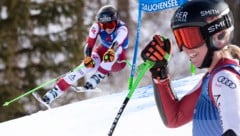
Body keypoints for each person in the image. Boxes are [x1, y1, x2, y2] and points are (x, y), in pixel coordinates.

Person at [141, 1, 240, 136]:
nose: (185, 49)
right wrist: (160, 71)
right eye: (180, 39)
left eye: (190, 38)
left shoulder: (223, 79)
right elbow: (175, 117)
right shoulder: (211, 78)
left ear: (218, 35)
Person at [42, 5, 129, 104]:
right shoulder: (97, 27)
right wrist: (87, 57)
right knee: (86, 66)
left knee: (113, 52)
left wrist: (111, 51)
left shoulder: (122, 29)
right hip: (102, 52)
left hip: (118, 61)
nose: (107, 28)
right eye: (104, 25)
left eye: (110, 25)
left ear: (117, 21)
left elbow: (117, 43)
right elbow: (89, 43)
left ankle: (97, 77)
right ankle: (56, 91)